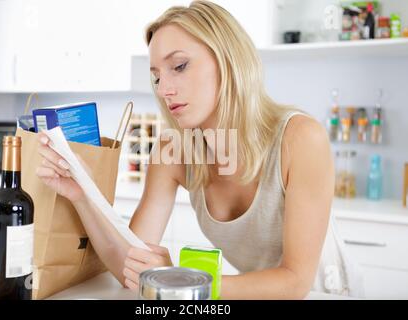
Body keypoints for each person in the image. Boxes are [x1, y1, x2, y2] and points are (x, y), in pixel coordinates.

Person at [36, 1, 363, 299]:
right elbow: (130, 264)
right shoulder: (173, 149)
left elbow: (294, 282)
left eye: (178, 66)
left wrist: (177, 279)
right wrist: (83, 195)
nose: (164, 89)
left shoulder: (302, 139)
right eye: (156, 77)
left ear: (227, 60)